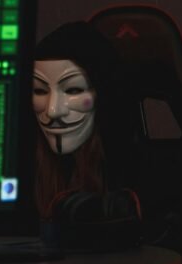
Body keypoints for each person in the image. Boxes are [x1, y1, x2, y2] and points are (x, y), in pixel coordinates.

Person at [30, 21, 140, 251]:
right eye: (40, 91)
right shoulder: (24, 174)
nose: (53, 110)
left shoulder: (131, 177)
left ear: (104, 94)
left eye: (73, 90)